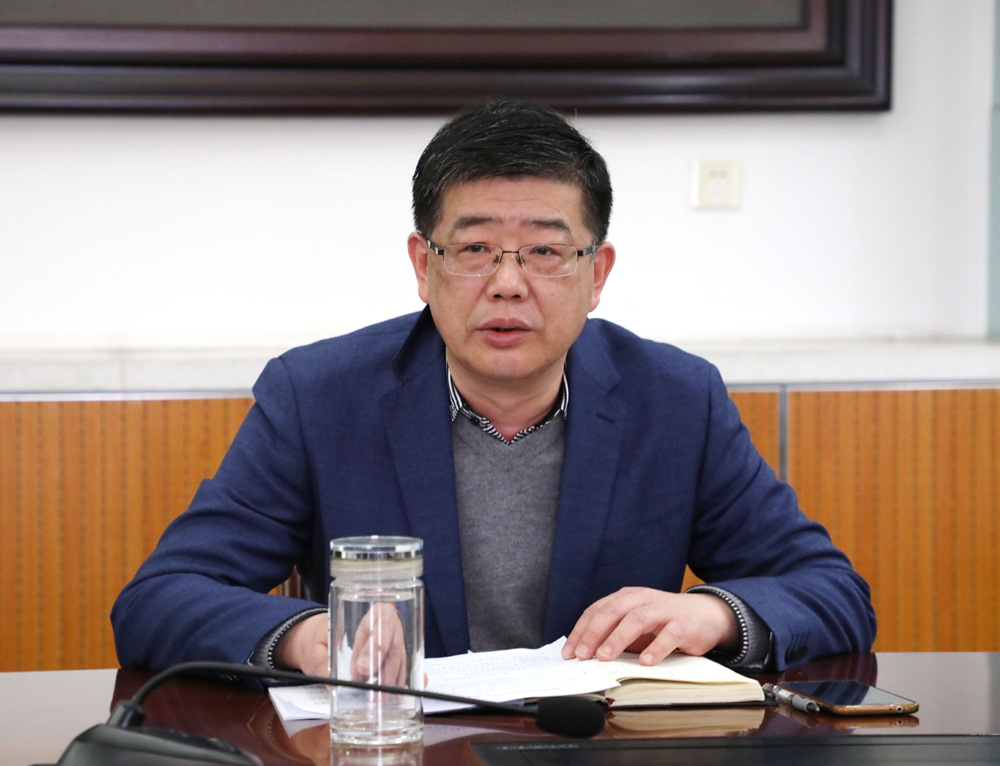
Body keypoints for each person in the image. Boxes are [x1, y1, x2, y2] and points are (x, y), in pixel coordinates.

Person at [111, 100, 876, 680]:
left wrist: (715, 614)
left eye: (544, 251)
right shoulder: (319, 398)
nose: (508, 284)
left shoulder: (676, 401)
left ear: (597, 274)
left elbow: (833, 592)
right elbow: (157, 599)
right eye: (475, 248)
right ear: (424, 265)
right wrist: (307, 637)